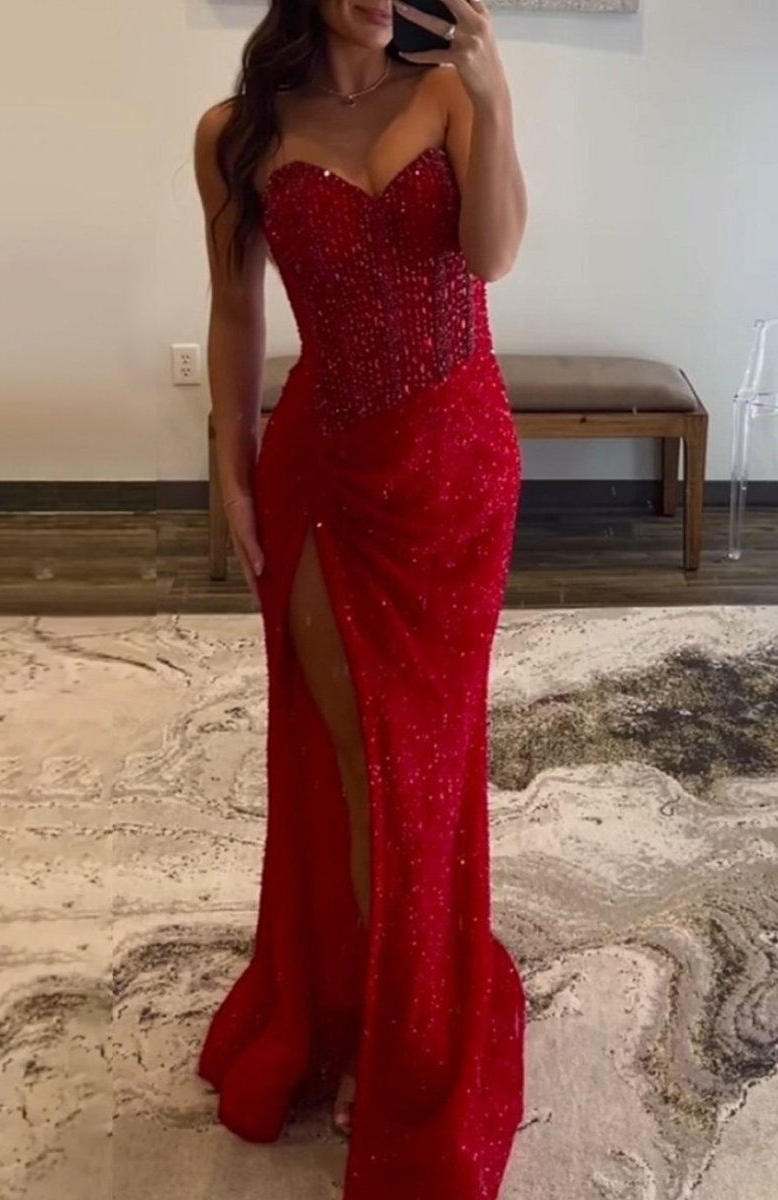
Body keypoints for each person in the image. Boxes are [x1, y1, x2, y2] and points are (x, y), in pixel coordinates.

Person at [193, 1, 528, 1196]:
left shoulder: (446, 91)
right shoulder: (236, 130)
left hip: (456, 469)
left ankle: (419, 1014)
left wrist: (492, 94)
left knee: (433, 757)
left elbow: (491, 257)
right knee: (363, 761)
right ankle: (379, 1019)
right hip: (325, 471)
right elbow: (236, 307)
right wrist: (231, 467)